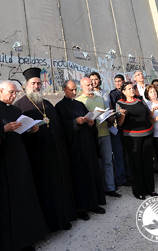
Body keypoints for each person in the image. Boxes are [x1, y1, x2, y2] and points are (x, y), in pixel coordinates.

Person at [0, 81, 48, 251]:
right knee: (6, 202)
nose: (13, 95)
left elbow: (22, 135)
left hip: (20, 160)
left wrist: (30, 131)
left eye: (15, 92)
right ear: (0, 91)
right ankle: (8, 243)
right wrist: (4, 129)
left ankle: (26, 239)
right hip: (1, 163)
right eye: (10, 92)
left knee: (23, 199)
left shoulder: (17, 110)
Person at [14, 68, 77, 232]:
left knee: (58, 187)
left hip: (55, 155)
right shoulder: (19, 106)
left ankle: (62, 219)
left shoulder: (48, 104)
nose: (36, 86)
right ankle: (48, 225)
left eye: (38, 83)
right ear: (26, 85)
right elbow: (17, 134)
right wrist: (29, 132)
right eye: (33, 83)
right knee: (44, 190)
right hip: (36, 157)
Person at [55, 80, 106, 222]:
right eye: (71, 90)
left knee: (92, 172)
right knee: (79, 176)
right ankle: (81, 208)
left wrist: (91, 123)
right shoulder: (59, 107)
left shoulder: (80, 104)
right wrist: (74, 122)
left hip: (87, 144)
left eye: (75, 89)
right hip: (74, 147)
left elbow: (90, 123)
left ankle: (94, 203)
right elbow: (61, 127)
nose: (74, 92)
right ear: (64, 89)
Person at [77, 77, 118, 200]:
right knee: (95, 164)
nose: (91, 87)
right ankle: (99, 189)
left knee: (108, 161)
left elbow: (105, 111)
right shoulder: (79, 101)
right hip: (91, 136)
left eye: (91, 84)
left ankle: (110, 188)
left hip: (104, 132)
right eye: (88, 85)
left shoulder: (99, 97)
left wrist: (109, 116)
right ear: (82, 87)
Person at [116, 81, 158, 199]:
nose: (131, 90)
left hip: (147, 134)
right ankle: (138, 191)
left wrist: (153, 111)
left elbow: (148, 115)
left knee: (148, 162)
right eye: (128, 89)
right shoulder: (120, 103)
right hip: (132, 137)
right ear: (123, 91)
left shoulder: (140, 99)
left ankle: (151, 189)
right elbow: (119, 123)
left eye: (132, 88)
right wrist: (123, 115)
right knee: (136, 164)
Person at [97, 72, 129, 188]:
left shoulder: (105, 93)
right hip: (112, 126)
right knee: (117, 153)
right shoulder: (112, 93)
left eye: (119, 81)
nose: (117, 83)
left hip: (125, 125)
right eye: (115, 81)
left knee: (126, 152)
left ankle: (128, 176)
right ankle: (120, 178)